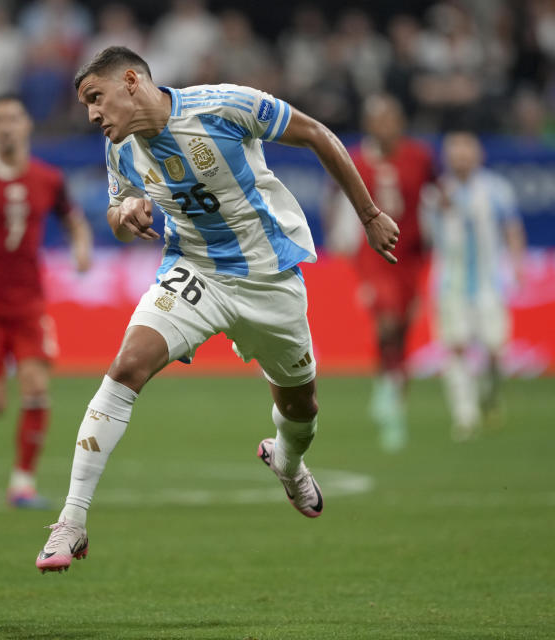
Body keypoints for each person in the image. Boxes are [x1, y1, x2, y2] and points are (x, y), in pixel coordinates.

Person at [35, 46, 401, 572]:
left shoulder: (224, 107)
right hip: (195, 273)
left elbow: (318, 134)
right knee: (125, 368)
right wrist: (127, 212)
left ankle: (288, 460)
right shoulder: (120, 147)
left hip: (269, 278)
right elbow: (118, 210)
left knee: (302, 410)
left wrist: (368, 215)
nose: (92, 114)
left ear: (132, 81)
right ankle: (71, 521)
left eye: (96, 98)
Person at [0, 93, 93, 508]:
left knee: (36, 387)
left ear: (27, 125)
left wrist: (82, 248)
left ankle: (22, 484)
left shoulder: (48, 178)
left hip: (31, 302)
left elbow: (73, 219)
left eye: (13, 118)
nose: (5, 127)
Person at [345, 94, 436, 452]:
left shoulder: (420, 157)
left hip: (411, 256)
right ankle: (388, 396)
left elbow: (435, 193)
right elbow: (336, 202)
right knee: (386, 323)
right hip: (374, 256)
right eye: (377, 120)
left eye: (390, 119)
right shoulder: (356, 161)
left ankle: (393, 391)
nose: (384, 127)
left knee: (402, 329)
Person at [425, 131, 525, 441]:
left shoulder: (496, 189)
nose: (461, 159)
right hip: (450, 284)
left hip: (488, 282)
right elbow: (428, 235)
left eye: (466, 152)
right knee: (455, 347)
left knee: (496, 348)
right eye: (455, 153)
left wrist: (517, 263)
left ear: (477, 155)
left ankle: (490, 394)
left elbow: (511, 227)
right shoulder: (436, 192)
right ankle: (464, 416)